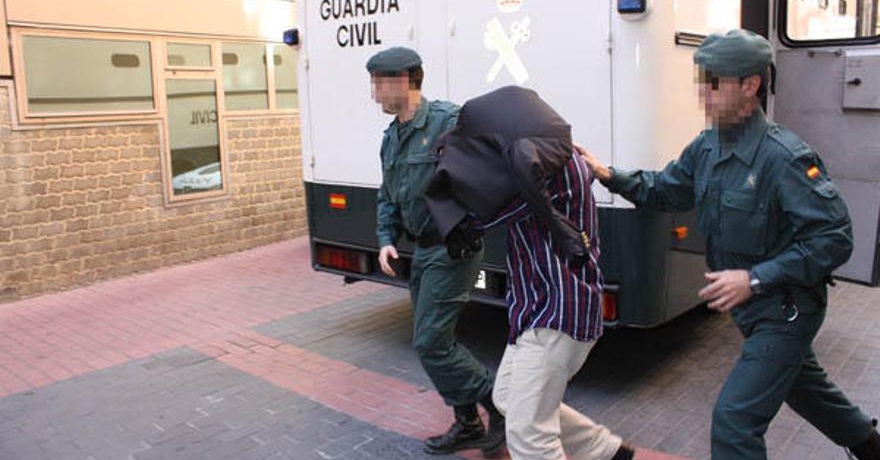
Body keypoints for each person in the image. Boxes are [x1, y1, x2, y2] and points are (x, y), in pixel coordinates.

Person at [577, 29, 880, 460]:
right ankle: (868, 445)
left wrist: (754, 278)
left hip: (786, 309)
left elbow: (834, 239)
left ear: (750, 85)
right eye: (702, 81)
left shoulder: (785, 158)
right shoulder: (707, 146)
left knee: (735, 422)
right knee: (803, 385)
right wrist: (610, 175)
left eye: (714, 83)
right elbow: (666, 191)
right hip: (753, 310)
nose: (703, 93)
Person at [426, 86, 635, 460]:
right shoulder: (552, 159)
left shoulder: (545, 174)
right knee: (509, 399)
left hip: (557, 314)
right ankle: (605, 451)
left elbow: (477, 220)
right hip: (537, 313)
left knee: (528, 434)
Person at [367, 46, 505, 457]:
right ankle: (467, 423)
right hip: (421, 252)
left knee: (429, 341)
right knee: (434, 339)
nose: (374, 94)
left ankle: (500, 405)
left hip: (453, 248)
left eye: (380, 83)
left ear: (407, 79)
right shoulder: (391, 137)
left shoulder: (449, 120)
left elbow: (488, 168)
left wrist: (472, 216)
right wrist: (386, 238)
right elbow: (387, 194)